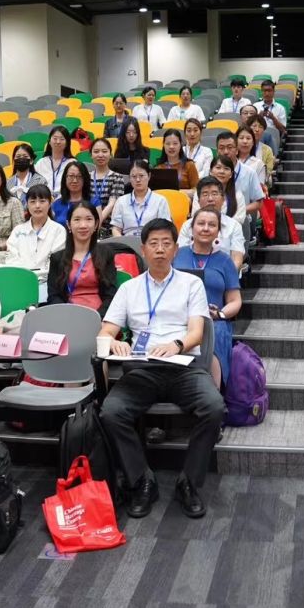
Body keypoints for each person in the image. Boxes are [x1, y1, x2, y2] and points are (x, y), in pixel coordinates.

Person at [98, 220, 228, 518]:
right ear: (143, 250)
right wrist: (114, 342)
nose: (160, 249)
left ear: (175, 249)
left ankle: (189, 482)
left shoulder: (191, 284)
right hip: (142, 370)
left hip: (184, 368)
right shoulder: (129, 288)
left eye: (166, 243)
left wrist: (176, 345)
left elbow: (197, 332)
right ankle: (141, 479)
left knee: (214, 407)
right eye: (153, 244)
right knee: (111, 412)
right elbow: (106, 331)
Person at [175, 208, 244, 386]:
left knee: (215, 334)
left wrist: (220, 314)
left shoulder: (225, 261)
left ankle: (213, 390)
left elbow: (235, 300)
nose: (206, 228)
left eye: (212, 225)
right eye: (201, 223)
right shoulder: (176, 254)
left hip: (213, 320)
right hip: (177, 317)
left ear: (218, 231)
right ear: (192, 228)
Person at [44, 201, 118, 312]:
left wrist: (98, 317)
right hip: (67, 315)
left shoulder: (106, 254)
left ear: (96, 224)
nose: (83, 225)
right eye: (77, 220)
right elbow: (54, 296)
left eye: (88, 219)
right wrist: (66, 315)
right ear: (69, 224)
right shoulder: (57, 258)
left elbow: (110, 295)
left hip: (99, 316)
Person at [5, 185, 67, 291]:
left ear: (50, 203)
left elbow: (55, 263)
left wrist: (35, 277)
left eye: (42, 201)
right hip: (20, 282)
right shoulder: (18, 230)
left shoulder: (59, 230)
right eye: (32, 202)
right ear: (27, 204)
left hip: (48, 283)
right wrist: (25, 276)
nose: (37, 206)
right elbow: (11, 259)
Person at [178, 178, 248, 268]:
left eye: (214, 194)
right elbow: (181, 256)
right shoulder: (187, 225)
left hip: (223, 273)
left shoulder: (233, 226)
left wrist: (228, 274)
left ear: (223, 199)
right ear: (198, 201)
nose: (210, 199)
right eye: (205, 194)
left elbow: (237, 259)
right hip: (191, 272)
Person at [109, 161, 170, 237]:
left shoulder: (160, 200)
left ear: (149, 176)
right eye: (134, 176)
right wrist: (122, 243)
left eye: (141, 176)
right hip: (127, 241)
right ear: (129, 178)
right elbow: (116, 229)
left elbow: (165, 228)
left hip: (152, 240)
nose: (138, 180)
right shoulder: (121, 201)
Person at [50, 160, 91, 225]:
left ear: (85, 179)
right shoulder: (56, 204)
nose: (75, 180)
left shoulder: (93, 202)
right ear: (65, 178)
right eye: (71, 176)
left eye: (79, 176)